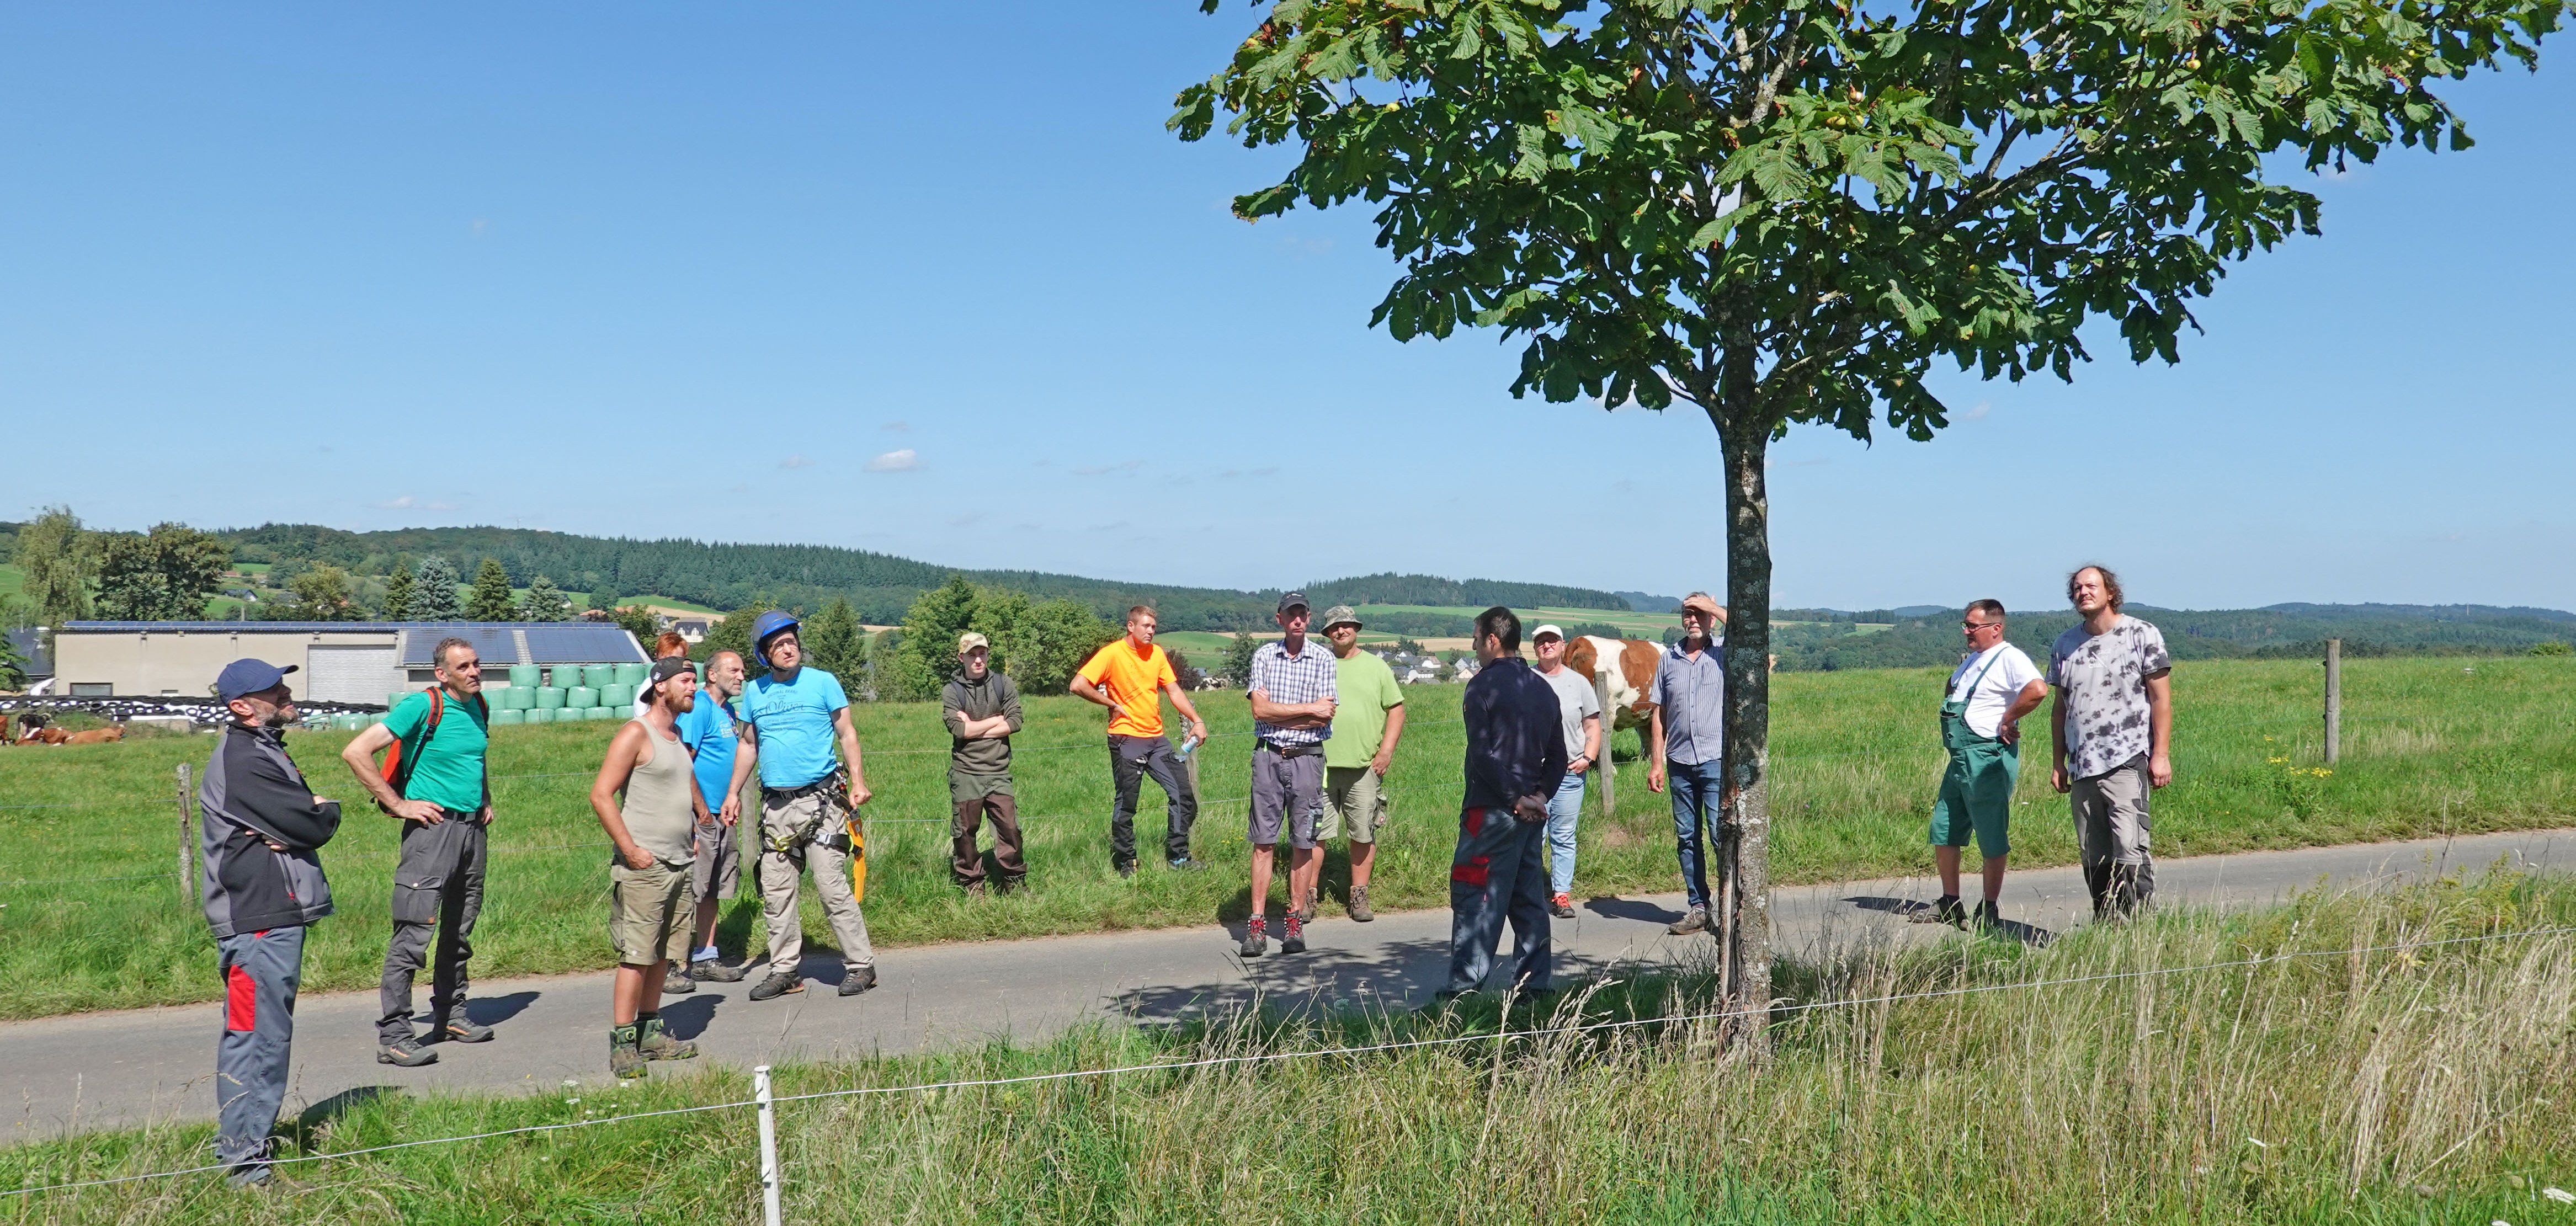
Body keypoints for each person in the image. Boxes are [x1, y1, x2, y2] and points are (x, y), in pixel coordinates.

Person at [199, 658, 342, 1187]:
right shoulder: (243, 759)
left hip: (266, 914)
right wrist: (326, 809)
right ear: (241, 706)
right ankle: (245, 1167)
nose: (285, 693)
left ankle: (246, 1153)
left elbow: (297, 821)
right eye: (272, 690)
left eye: (282, 684)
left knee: (260, 1035)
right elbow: (309, 821)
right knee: (259, 1038)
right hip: (256, 920)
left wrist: (305, 817)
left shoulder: (263, 748)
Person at [340, 636, 498, 1067]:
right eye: (464, 667)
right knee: (413, 934)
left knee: (459, 930)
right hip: (431, 833)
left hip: (472, 832)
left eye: (476, 664)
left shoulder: (478, 706)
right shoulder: (422, 706)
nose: (474, 672)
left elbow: (474, 758)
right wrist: (398, 804)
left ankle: (451, 1015)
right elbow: (355, 751)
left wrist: (484, 798)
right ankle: (395, 1035)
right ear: (441, 674)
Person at [721, 610, 879, 1000]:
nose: (788, 649)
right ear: (764, 655)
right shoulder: (754, 692)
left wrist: (858, 782)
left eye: (791, 642)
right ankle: (784, 971)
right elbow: (748, 745)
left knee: (831, 887)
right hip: (777, 809)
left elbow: (847, 733)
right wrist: (732, 793)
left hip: (821, 803)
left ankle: (861, 965)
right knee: (777, 894)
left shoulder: (823, 682)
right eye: (778, 645)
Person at [588, 657, 707, 1078]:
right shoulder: (635, 733)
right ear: (660, 686)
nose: (693, 687)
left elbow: (679, 786)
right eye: (686, 681)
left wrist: (696, 824)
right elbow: (601, 795)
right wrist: (631, 849)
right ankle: (623, 1046)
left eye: (695, 681)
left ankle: (650, 1035)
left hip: (679, 862)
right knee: (637, 955)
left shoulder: (676, 736)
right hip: (646, 866)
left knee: (663, 954)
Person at [1441, 606, 1567, 999]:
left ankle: (1464, 992)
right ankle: (1534, 989)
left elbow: (1483, 755)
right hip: (1531, 815)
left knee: (1476, 897)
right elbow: (1559, 757)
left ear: (1492, 640)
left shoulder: (1482, 686)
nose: (1474, 646)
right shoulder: (1543, 689)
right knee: (1528, 900)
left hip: (1491, 812)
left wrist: (1515, 799)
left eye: (1476, 639)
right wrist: (1539, 796)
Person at [2048, 566, 2174, 917]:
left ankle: (2142, 929)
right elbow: (2060, 709)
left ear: (2110, 592)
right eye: (2077, 588)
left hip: (2127, 759)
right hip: (2082, 765)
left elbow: (2161, 699)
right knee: (2094, 855)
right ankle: (2107, 928)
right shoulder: (2064, 645)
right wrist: (2058, 762)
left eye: (2091, 586)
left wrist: (2161, 755)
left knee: (2130, 848)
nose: (2083, 592)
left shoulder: (2142, 634)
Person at [1923, 600, 2047, 928]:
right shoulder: (1974, 659)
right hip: (1960, 758)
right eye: (1965, 625)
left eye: (1972, 626)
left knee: (1991, 834)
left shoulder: (2009, 657)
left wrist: (2008, 719)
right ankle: (1950, 903)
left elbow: (2037, 690)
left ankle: (1988, 909)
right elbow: (1952, 687)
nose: (1966, 631)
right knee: (1945, 829)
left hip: (1985, 757)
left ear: (1996, 628)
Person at [1070, 606, 1211, 877]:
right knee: (1127, 804)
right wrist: (1110, 703)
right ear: (1131, 626)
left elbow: (1173, 691)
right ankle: (1127, 861)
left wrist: (1197, 720)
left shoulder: (1156, 654)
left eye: (1154, 627)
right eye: (1146, 626)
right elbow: (1078, 684)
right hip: (1126, 738)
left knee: (1183, 795)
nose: (1151, 631)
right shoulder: (1112, 653)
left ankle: (1179, 857)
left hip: (1157, 739)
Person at [1239, 593, 1337, 957]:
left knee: (1303, 842)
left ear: (1309, 619)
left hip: (1308, 760)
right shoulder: (1264, 656)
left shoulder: (1324, 659)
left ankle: (1294, 921)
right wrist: (1307, 710)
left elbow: (1325, 718)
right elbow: (1259, 712)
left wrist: (1278, 712)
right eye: (1290, 614)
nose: (1297, 620)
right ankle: (1257, 923)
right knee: (1263, 842)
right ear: (1279, 619)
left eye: (1302, 614)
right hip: (1268, 757)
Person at [1646, 593, 1728, 937]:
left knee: (1721, 835)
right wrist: (1656, 762)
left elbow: (1751, 636)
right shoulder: (1669, 659)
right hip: (1679, 762)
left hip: (1715, 760)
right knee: (1687, 838)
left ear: (1711, 618)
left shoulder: (1724, 652)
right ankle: (1699, 908)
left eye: (1700, 613)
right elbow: (1659, 713)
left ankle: (1729, 907)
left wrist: (1714, 607)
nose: (1693, 619)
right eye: (1687, 613)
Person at [670, 648, 751, 988]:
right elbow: (682, 762)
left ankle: (705, 956)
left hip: (721, 813)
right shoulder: (700, 708)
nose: (742, 676)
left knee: (712, 888)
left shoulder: (728, 711)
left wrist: (730, 798)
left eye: (743, 671)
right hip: (700, 814)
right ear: (713, 675)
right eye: (734, 671)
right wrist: (697, 813)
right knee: (689, 888)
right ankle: (672, 964)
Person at [1319, 605, 1404, 923]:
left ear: (1356, 629)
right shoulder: (1319, 664)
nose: (1341, 631)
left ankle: (1359, 896)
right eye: (1334, 627)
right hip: (1318, 766)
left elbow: (1396, 710)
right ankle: (1307, 897)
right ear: (1328, 633)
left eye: (1346, 625)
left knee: (1363, 834)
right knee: (1313, 835)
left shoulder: (1376, 667)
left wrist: (1386, 752)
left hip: (1365, 767)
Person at [941, 631, 1026, 894]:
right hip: (966, 773)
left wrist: (975, 728)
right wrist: (996, 720)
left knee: (1010, 830)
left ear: (988, 655)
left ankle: (1013, 883)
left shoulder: (1003, 684)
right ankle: (973, 885)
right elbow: (959, 730)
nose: (978, 660)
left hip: (999, 771)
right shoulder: (952, 691)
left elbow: (1016, 722)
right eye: (972, 655)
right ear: (962, 658)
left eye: (982, 654)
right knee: (965, 833)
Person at [1530, 624, 1602, 920]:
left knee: (1563, 836)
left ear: (1563, 646)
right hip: (1533, 775)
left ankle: (1561, 895)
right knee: (1533, 836)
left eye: (1552, 641)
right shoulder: (1526, 680)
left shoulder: (1579, 683)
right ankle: (1532, 894)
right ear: (1534, 648)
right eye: (1541, 642)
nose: (1546, 646)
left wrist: (1588, 757)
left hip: (1570, 773)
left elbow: (1592, 724)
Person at [632, 631, 691, 719]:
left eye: (676, 660)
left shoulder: (689, 685)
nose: (670, 664)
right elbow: (640, 715)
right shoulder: (651, 683)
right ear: (657, 657)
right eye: (665, 660)